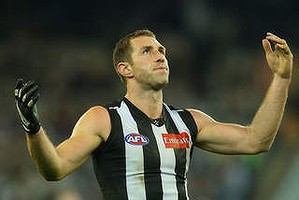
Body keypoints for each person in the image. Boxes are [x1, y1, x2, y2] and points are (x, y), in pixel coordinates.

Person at [14, 29, 293, 200]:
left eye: (161, 51)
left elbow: (256, 140)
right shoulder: (103, 119)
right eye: (147, 51)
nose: (160, 56)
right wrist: (33, 128)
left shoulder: (188, 121)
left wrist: (281, 78)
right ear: (125, 69)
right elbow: (55, 168)